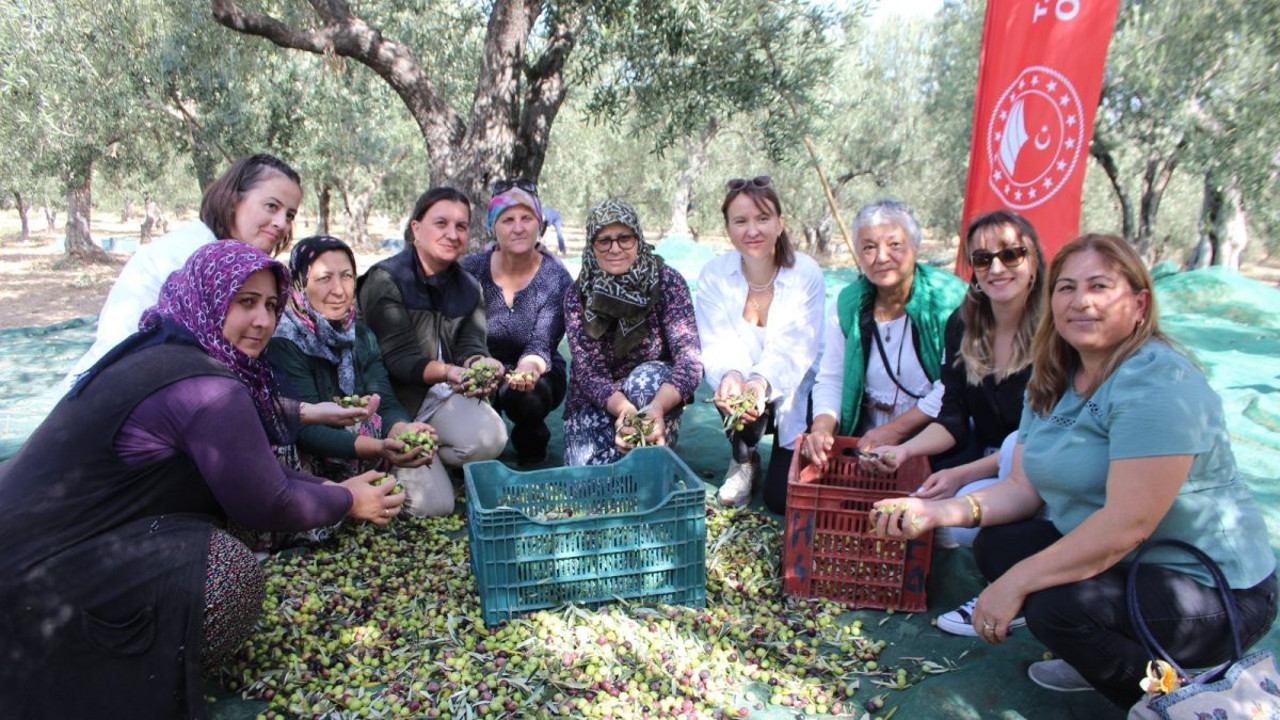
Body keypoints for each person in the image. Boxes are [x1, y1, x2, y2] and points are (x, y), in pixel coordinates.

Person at [870, 234, 1277, 707]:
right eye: (1066, 288)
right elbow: (1022, 487)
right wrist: (935, 512)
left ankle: (1173, 699)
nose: (1080, 302)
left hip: (1211, 591)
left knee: (1054, 608)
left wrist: (1017, 584)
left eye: (1100, 286)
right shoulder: (1053, 377)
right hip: (1127, 564)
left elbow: (1127, 526)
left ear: (1139, 302)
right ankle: (1106, 651)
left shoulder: (1158, 382)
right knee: (999, 545)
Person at [0, 241, 402, 720]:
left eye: (272, 306)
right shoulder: (207, 386)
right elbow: (266, 500)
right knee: (229, 577)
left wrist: (326, 472)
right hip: (35, 582)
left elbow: (253, 462)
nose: (263, 321)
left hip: (48, 542)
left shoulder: (169, 348)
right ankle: (130, 662)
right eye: (245, 302)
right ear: (208, 297)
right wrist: (346, 500)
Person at [862, 211, 1046, 633]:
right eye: (983, 260)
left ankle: (1015, 589)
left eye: (1011, 254)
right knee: (951, 519)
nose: (996, 268)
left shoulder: (1055, 331)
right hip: (996, 457)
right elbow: (953, 415)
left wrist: (961, 475)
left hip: (1039, 460)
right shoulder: (963, 323)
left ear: (1033, 259)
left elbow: (1036, 439)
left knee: (963, 523)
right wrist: (903, 449)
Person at [62, 154, 304, 387]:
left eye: (289, 215)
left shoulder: (224, 257)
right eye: (272, 206)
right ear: (233, 199)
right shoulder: (191, 257)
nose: (282, 223)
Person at [357, 187, 507, 514]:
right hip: (395, 405)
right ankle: (395, 458)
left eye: (461, 226)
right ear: (415, 229)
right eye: (441, 223)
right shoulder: (386, 279)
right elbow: (399, 360)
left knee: (491, 437)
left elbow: (471, 345)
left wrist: (481, 364)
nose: (452, 234)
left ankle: (430, 454)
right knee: (435, 507)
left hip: (436, 399)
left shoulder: (467, 285)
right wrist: (450, 372)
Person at [802, 199, 966, 479]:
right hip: (867, 441)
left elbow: (954, 387)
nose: (880, 257)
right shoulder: (848, 304)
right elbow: (832, 379)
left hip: (934, 436)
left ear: (915, 248)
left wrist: (896, 430)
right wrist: (821, 428)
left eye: (894, 245)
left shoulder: (948, 300)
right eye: (868, 247)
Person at [694, 176, 824, 510]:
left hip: (797, 387)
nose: (752, 230)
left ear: (780, 224)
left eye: (762, 218)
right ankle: (744, 461)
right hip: (748, 390)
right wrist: (732, 376)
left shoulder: (805, 273)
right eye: (741, 221)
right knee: (734, 398)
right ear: (728, 229)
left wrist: (759, 382)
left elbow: (795, 350)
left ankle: (783, 449)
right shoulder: (713, 274)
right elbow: (717, 341)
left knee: (781, 500)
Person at [268, 235, 437, 484]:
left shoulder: (360, 335)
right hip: (308, 459)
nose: (339, 290)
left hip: (362, 446)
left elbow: (386, 401)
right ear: (300, 284)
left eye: (346, 276)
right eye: (324, 278)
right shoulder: (285, 340)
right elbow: (306, 430)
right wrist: (378, 447)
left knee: (436, 503)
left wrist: (401, 429)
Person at [562, 199, 702, 466]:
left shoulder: (667, 283)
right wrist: (624, 410)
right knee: (587, 476)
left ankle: (655, 437)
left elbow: (690, 361)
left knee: (642, 383)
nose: (615, 248)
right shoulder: (577, 295)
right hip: (601, 399)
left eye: (624, 238)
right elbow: (588, 373)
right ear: (592, 245)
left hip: (653, 394)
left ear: (638, 239)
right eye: (604, 240)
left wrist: (658, 407)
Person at [461, 181, 573, 465]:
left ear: (539, 224)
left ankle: (532, 441)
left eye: (527, 218)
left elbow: (542, 340)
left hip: (538, 368)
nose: (518, 227)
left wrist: (528, 368)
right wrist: (478, 364)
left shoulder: (555, 277)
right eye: (507, 219)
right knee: (477, 446)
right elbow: (459, 333)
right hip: (478, 363)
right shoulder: (469, 270)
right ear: (492, 227)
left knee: (528, 396)